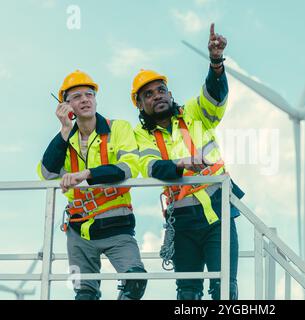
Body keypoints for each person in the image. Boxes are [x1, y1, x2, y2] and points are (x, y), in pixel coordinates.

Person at [133, 23, 243, 300]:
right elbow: (153, 168)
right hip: (181, 221)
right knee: (188, 293)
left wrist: (216, 62)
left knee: (224, 289)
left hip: (218, 213)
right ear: (140, 105)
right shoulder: (140, 136)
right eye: (149, 94)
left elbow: (215, 96)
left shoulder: (194, 112)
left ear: (169, 94)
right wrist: (182, 163)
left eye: (161, 90)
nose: (157, 95)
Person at [37, 70, 147, 300]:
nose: (85, 99)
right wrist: (64, 130)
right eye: (76, 96)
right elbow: (47, 173)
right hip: (79, 231)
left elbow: (129, 167)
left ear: (96, 100)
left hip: (117, 224)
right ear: (65, 106)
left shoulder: (119, 128)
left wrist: (85, 175)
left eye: (89, 94)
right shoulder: (65, 140)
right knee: (84, 294)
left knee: (135, 281)